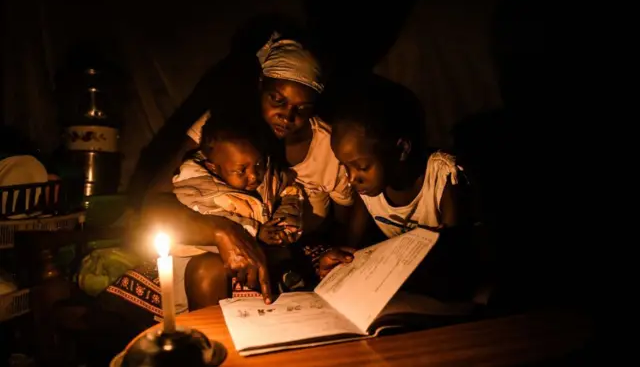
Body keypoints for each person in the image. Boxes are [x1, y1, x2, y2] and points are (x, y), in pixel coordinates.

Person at [129, 32, 353, 306]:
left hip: (292, 247)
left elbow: (347, 221)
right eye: (277, 99)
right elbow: (154, 205)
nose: (287, 115)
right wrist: (224, 230)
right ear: (260, 84)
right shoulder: (224, 128)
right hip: (213, 239)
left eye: (302, 109)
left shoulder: (330, 145)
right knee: (202, 272)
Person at [319, 79, 485, 303]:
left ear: (402, 149)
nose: (351, 178)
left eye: (361, 167)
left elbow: (455, 255)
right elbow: (352, 250)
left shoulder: (443, 177)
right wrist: (337, 264)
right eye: (344, 166)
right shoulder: (369, 191)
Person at [170, 108, 306, 309]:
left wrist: (285, 225)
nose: (253, 176)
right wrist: (255, 231)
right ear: (214, 167)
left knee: (286, 256)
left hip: (259, 245)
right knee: (207, 269)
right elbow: (208, 215)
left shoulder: (269, 176)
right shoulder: (195, 187)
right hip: (201, 254)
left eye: (258, 164)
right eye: (241, 170)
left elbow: (291, 192)